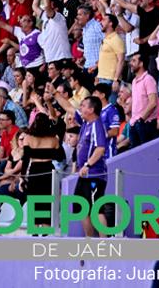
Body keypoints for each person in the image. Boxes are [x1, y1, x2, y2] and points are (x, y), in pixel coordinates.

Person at [74, 96, 108, 237]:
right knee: (81, 207)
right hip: (84, 174)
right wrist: (55, 94)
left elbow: (100, 148)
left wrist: (88, 164)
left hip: (94, 174)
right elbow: (69, 109)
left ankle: (103, 243)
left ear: (91, 109)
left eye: (83, 105)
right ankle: (89, 241)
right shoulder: (85, 123)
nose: (80, 108)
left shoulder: (96, 125)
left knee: (96, 208)